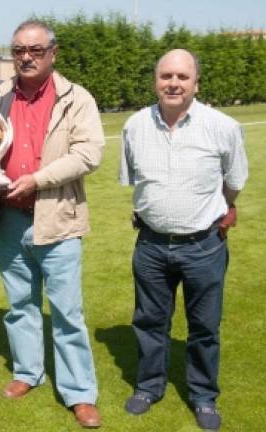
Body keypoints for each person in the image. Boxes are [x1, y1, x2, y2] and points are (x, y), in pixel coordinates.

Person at [0, 19, 103, 428]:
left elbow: (88, 154)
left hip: (58, 221)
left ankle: (79, 393)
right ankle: (27, 372)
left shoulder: (77, 98)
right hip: (10, 221)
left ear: (53, 52)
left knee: (67, 313)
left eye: (35, 50)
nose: (26, 57)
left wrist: (38, 179)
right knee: (20, 306)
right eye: (19, 50)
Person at [119, 48, 248, 431]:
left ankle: (204, 395)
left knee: (205, 326)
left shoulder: (222, 126)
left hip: (204, 247)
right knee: (149, 321)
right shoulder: (134, 126)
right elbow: (135, 181)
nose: (173, 84)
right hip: (151, 245)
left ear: (196, 84)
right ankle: (149, 386)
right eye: (166, 76)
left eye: (182, 77)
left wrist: (221, 207)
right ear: (155, 81)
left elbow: (234, 181)